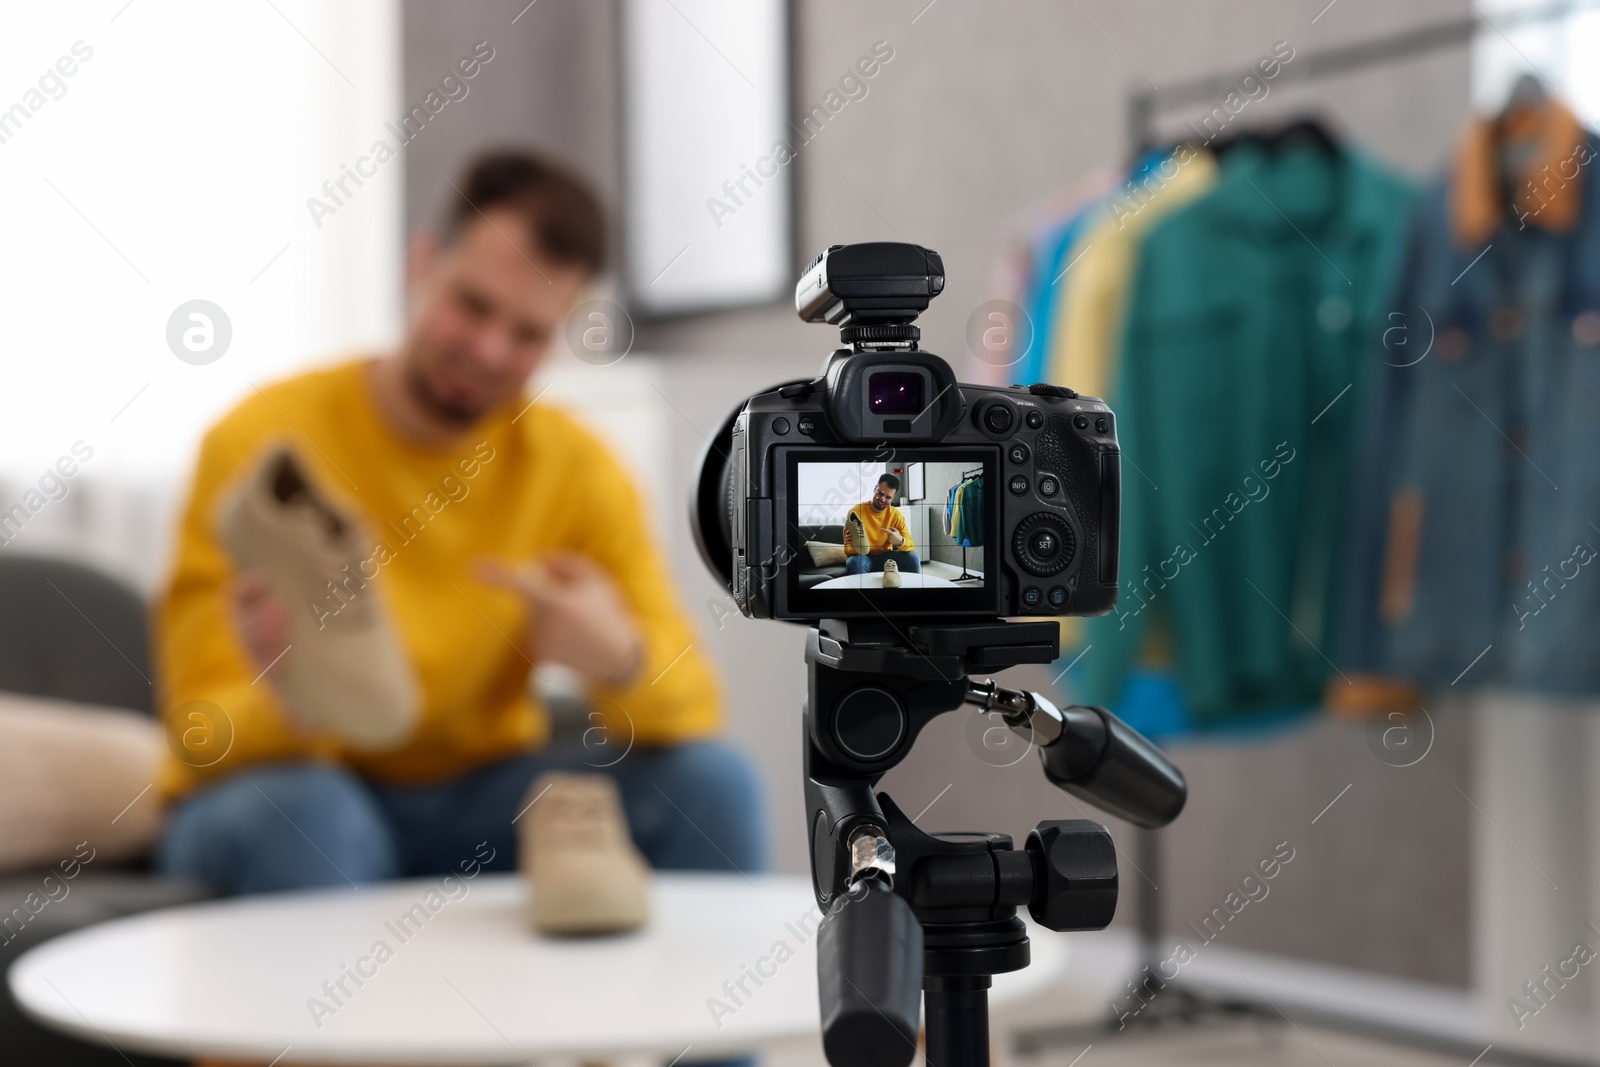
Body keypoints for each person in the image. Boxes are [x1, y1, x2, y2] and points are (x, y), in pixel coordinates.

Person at [154, 148, 765, 897]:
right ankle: (351, 1013)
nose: (488, 349)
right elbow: (197, 736)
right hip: (297, 787)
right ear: (421, 264)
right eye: (472, 305)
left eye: (528, 333)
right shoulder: (260, 445)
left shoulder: (576, 469)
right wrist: (295, 701)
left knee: (714, 784)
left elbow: (695, 704)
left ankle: (725, 1017)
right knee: (311, 815)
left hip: (483, 801)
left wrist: (620, 657)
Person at [841, 473, 922, 575]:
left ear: (893, 498)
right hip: (863, 557)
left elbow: (911, 544)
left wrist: (900, 541)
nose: (883, 499)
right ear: (875, 489)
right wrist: (859, 548)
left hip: (887, 556)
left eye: (888, 497)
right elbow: (847, 549)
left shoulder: (896, 515)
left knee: (913, 558)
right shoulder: (856, 512)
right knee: (855, 562)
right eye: (880, 493)